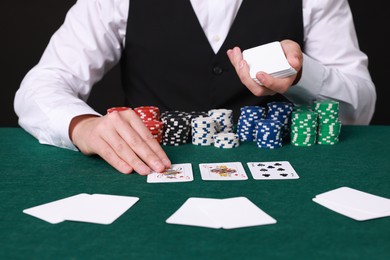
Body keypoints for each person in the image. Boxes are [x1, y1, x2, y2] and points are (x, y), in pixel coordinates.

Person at [14, 0, 376, 175]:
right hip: (148, 176)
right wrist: (82, 125)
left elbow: (361, 104)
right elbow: (40, 85)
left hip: (284, 181)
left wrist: (301, 75)